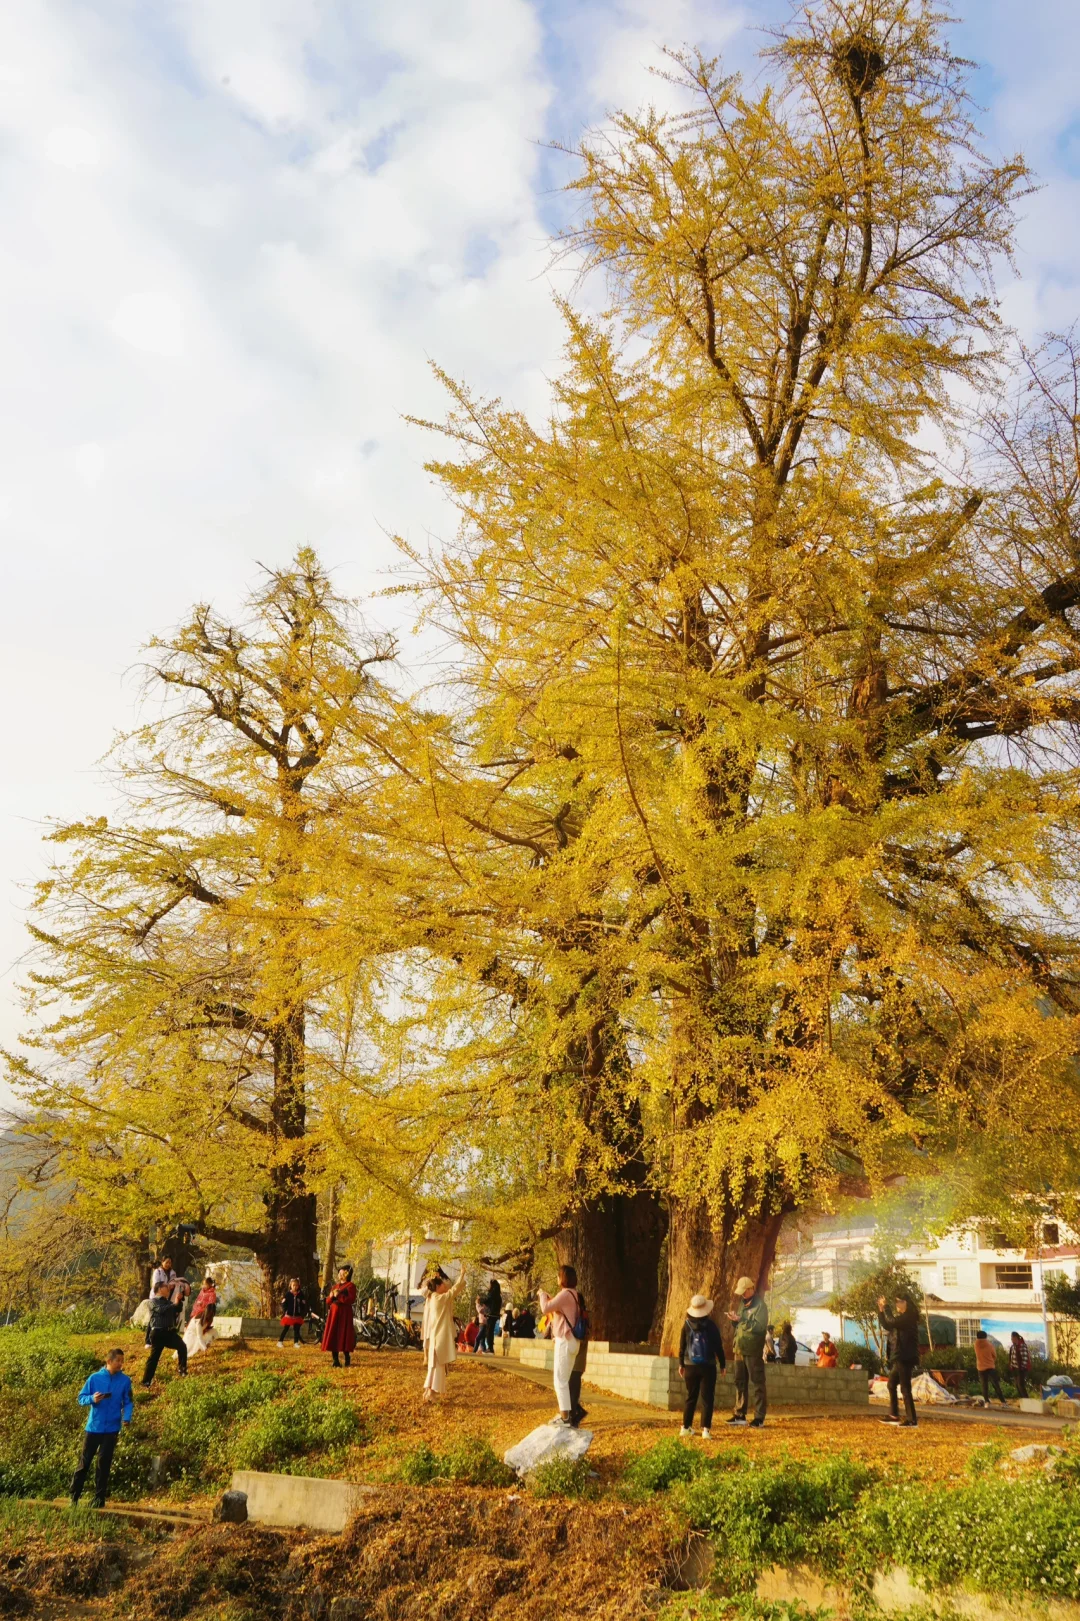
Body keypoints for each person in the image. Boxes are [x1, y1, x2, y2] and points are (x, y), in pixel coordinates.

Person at [71, 1348, 133, 1508]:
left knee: (103, 1464)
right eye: (118, 1360)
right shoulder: (94, 1378)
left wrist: (126, 1418)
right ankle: (74, 1497)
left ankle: (99, 1499)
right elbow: (80, 1398)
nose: (121, 1364)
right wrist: (92, 1398)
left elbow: (128, 1401)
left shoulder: (125, 1381)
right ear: (109, 1361)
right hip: (94, 1427)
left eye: (122, 1360)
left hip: (112, 1429)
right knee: (84, 1463)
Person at [538, 1265, 586, 1428]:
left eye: (558, 1275)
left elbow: (545, 1308)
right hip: (572, 1342)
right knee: (562, 1379)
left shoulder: (565, 1294)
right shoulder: (573, 1295)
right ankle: (564, 1415)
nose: (557, 1278)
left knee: (560, 1380)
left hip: (565, 1341)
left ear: (563, 1278)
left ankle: (565, 1417)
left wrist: (542, 1295)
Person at [678, 1293, 726, 1439]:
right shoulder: (711, 1326)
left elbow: (682, 1347)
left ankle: (686, 1428)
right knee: (707, 1398)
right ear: (706, 1309)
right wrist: (723, 1365)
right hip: (708, 1366)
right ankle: (706, 1430)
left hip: (690, 1366)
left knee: (690, 1397)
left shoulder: (686, 1325)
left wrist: (681, 1364)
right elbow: (718, 1347)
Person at [727, 1275, 768, 1427]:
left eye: (745, 1291)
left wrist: (741, 1320)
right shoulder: (742, 1305)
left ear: (751, 1289)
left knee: (757, 1382)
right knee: (739, 1382)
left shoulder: (760, 1307)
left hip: (753, 1350)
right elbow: (740, 1326)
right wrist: (734, 1320)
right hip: (739, 1348)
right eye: (741, 1292)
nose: (743, 1294)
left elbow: (759, 1327)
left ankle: (759, 1417)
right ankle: (739, 1414)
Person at [421, 1264, 467, 1399]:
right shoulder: (439, 1298)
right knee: (438, 1367)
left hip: (436, 1338)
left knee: (434, 1366)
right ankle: (431, 1393)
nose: (445, 1287)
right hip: (439, 1340)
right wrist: (462, 1275)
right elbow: (454, 1291)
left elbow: (451, 1291)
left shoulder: (433, 1298)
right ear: (438, 1287)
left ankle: (429, 1391)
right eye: (442, 1285)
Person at [877, 1293, 919, 1427]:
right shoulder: (902, 1318)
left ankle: (912, 1420)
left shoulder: (909, 1317)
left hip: (905, 1356)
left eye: (898, 1302)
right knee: (891, 1384)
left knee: (905, 1389)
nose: (897, 1305)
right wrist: (881, 1311)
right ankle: (894, 1415)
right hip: (899, 1356)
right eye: (895, 1302)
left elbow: (892, 1322)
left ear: (905, 1302)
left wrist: (887, 1307)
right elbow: (888, 1325)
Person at [142, 1283, 188, 1386]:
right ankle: (146, 1381)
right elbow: (160, 1310)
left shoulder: (168, 1302)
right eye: (166, 1287)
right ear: (159, 1289)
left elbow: (177, 1309)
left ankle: (182, 1370)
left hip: (169, 1332)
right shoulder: (152, 1301)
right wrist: (174, 1303)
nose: (168, 1289)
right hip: (158, 1333)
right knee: (154, 1358)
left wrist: (179, 1300)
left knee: (182, 1347)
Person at [322, 1265, 357, 1368]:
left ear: (347, 1274)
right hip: (334, 1313)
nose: (340, 1275)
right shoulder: (335, 1286)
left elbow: (350, 1300)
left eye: (343, 1273)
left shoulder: (351, 1286)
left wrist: (339, 1296)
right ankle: (335, 1360)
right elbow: (328, 1301)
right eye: (339, 1273)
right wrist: (331, 1296)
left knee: (344, 1334)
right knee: (334, 1334)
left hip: (344, 1313)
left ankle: (347, 1357)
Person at [183, 1274, 218, 1361]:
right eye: (203, 1284)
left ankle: (203, 1345)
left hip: (204, 1312)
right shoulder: (202, 1291)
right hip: (199, 1314)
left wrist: (203, 1305)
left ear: (210, 1284)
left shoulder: (212, 1293)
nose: (204, 1286)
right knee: (195, 1335)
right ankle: (200, 1346)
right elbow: (197, 1301)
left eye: (205, 1284)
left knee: (212, 1332)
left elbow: (211, 1303)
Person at [975, 1330, 1006, 1407]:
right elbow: (994, 1355)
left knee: (984, 1386)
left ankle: (986, 1402)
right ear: (985, 1337)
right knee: (996, 1385)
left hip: (980, 1367)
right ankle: (1003, 1402)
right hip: (990, 1367)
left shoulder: (975, 1345)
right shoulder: (989, 1345)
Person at [278, 1278, 308, 1347]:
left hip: (297, 1315)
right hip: (289, 1315)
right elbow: (284, 1303)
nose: (295, 1287)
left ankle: (296, 1342)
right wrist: (286, 1310)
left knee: (297, 1329)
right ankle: (280, 1341)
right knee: (286, 1328)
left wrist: (302, 1312)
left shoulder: (300, 1294)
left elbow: (303, 1303)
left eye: (296, 1285)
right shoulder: (288, 1294)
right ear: (290, 1285)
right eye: (293, 1285)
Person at [477, 1276, 502, 1354]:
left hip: (491, 1314)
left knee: (489, 1331)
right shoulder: (498, 1295)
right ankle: (490, 1347)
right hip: (495, 1314)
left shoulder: (492, 1294)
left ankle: (490, 1348)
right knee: (490, 1331)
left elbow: (487, 1300)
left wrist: (479, 1299)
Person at [1009, 1331, 1031, 1399]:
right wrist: (1011, 1364)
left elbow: (1025, 1358)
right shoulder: (1013, 1346)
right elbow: (1011, 1356)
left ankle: (1026, 1399)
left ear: (1016, 1338)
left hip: (1021, 1369)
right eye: (1011, 1338)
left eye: (1012, 1338)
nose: (1011, 1339)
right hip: (1014, 1368)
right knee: (1017, 1385)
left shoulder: (1022, 1345)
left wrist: (1022, 1368)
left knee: (1021, 1385)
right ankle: (1022, 1399)